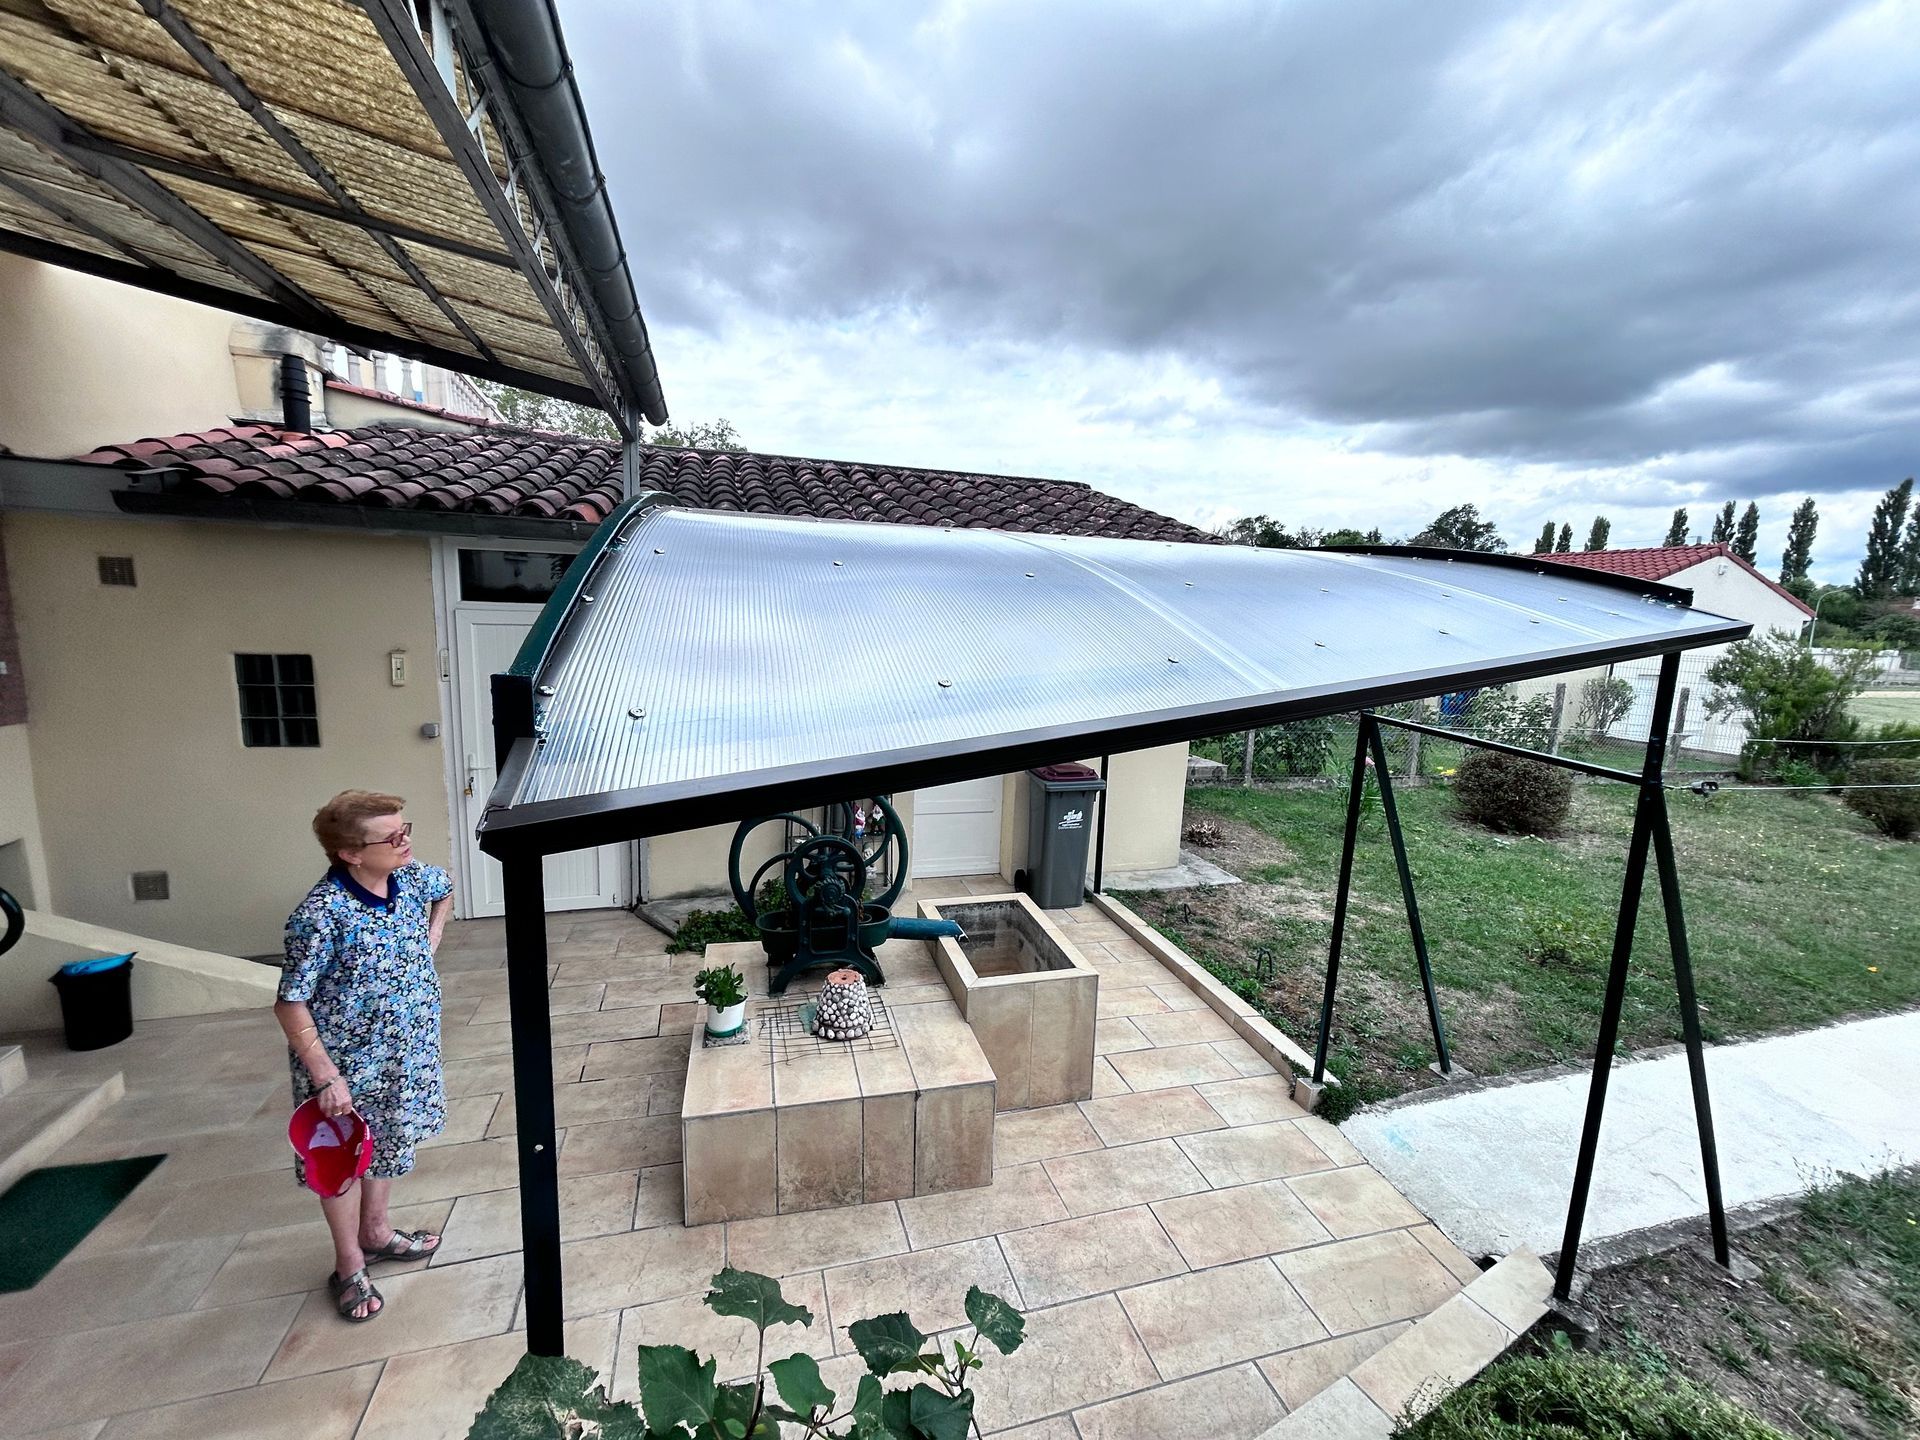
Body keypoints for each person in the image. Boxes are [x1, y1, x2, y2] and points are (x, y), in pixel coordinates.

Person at [274, 790, 454, 1322]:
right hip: (346, 1067)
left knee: (392, 1142)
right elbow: (290, 1004)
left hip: (407, 1052)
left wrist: (433, 929)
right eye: (392, 836)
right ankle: (348, 1263)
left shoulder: (411, 877)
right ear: (350, 852)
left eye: (406, 829)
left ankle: (376, 1233)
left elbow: (444, 888)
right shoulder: (319, 915)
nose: (406, 842)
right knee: (341, 1161)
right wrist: (326, 1078)